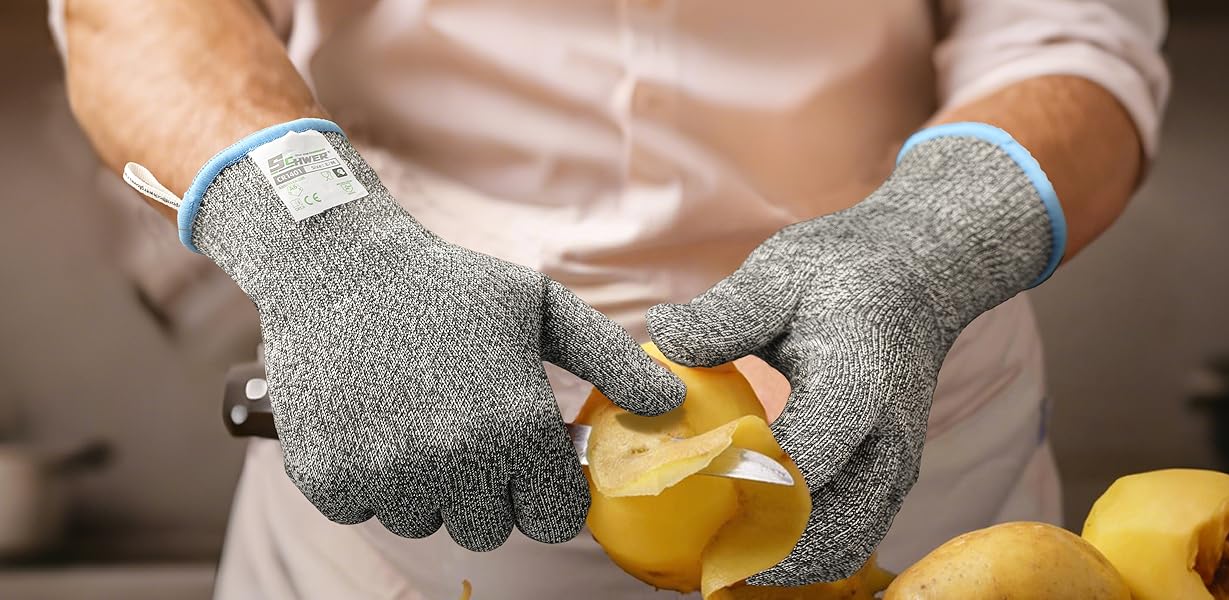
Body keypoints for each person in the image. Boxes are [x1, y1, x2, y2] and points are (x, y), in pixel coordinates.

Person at [53, 0, 1168, 597]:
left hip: (911, 473)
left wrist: (926, 246)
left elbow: (1071, 29)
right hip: (406, 496)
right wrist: (327, 247)